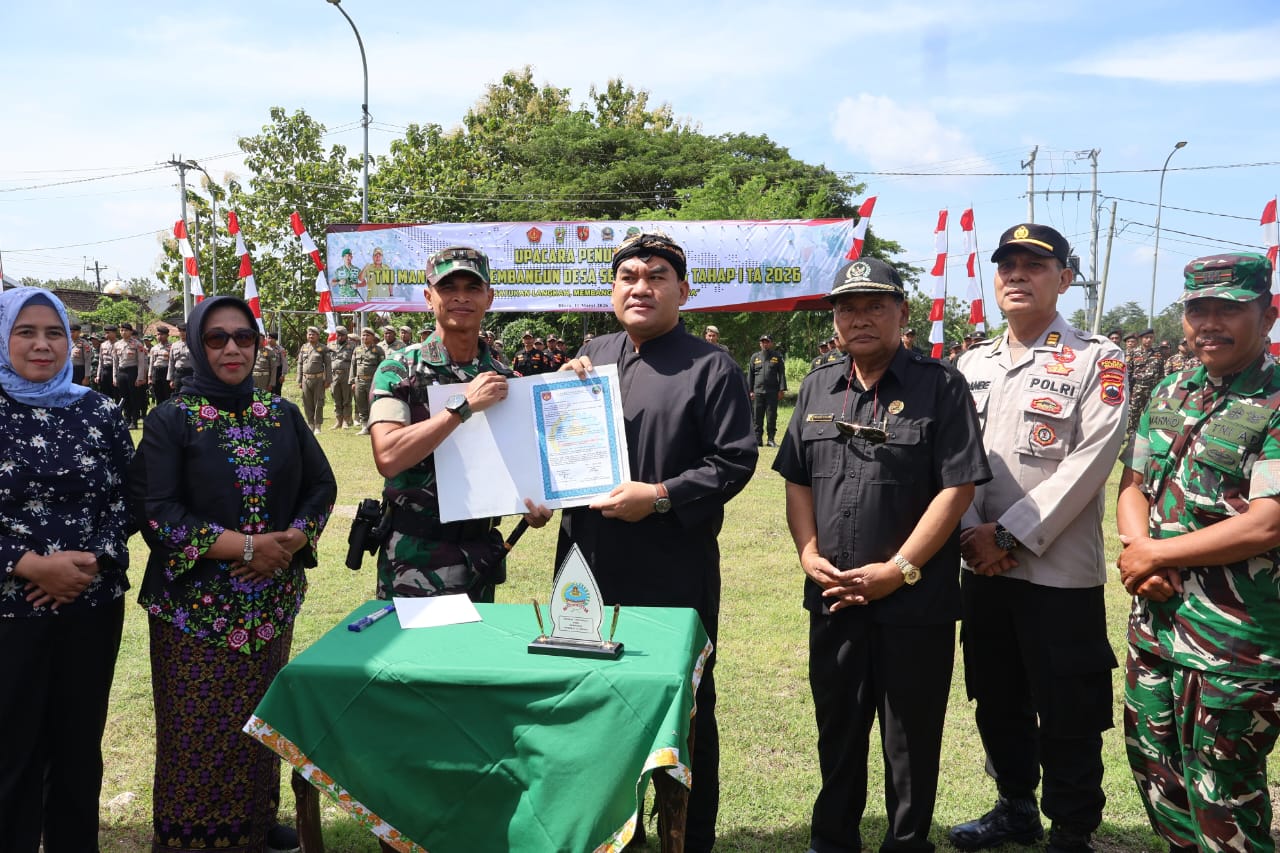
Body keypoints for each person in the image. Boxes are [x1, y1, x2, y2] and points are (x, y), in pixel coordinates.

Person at [774, 257, 990, 853]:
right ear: (835, 319)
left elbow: (959, 486)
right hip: (834, 592)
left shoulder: (940, 385)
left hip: (914, 601)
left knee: (911, 737)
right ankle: (834, 839)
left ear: (902, 312)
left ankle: (906, 842)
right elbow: (795, 477)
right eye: (848, 307)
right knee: (836, 728)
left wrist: (899, 571)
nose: (860, 318)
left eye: (875, 305)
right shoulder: (819, 384)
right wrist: (807, 550)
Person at [558, 232, 757, 853]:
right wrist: (557, 398)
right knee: (591, 696)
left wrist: (661, 494)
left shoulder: (711, 366)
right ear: (612, 290)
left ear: (683, 291)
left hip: (672, 566)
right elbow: (558, 449)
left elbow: (734, 461)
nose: (640, 286)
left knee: (683, 705)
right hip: (586, 562)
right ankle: (613, 834)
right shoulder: (590, 355)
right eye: (628, 276)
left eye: (657, 276)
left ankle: (687, 837)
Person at [130, 294, 336, 853]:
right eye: (216, 338)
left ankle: (255, 824)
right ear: (197, 345)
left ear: (258, 344)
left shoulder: (281, 413)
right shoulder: (171, 418)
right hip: (194, 611)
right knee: (196, 733)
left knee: (258, 724)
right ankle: (191, 838)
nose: (231, 348)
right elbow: (156, 508)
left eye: (243, 337)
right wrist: (244, 547)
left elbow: (322, 485)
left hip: (269, 603)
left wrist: (293, 540)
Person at [948, 223, 1127, 853]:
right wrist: (972, 536)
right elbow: (954, 461)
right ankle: (1015, 806)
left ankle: (1073, 830)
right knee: (995, 693)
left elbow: (1090, 462)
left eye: (1035, 265)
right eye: (1008, 266)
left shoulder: (1096, 359)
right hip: (982, 565)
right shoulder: (971, 364)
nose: (1018, 275)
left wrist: (1009, 537)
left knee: (1069, 703)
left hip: (1057, 571)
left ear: (1064, 279)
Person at [1117, 253, 1280, 852]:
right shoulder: (1170, 388)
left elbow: (1267, 523)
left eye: (1229, 308)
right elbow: (1133, 486)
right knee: (1159, 781)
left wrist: (1161, 557)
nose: (1209, 322)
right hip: (1156, 629)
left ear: (1267, 315)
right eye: (1197, 309)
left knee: (1224, 798)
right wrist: (1141, 550)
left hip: (1234, 647)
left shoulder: (1277, 397)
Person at [0, 288, 133, 853]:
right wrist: (29, 565)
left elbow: (132, 497)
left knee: (79, 748)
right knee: (11, 752)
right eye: (25, 331)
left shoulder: (99, 409)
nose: (41, 344)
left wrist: (87, 563)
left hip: (90, 604)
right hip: (10, 609)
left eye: (54, 332)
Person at [369, 246, 549, 602]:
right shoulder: (399, 370)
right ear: (428, 296)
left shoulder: (506, 379)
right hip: (414, 558)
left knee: (471, 657)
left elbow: (520, 466)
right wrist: (462, 406)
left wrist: (535, 503)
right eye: (448, 288)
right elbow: (388, 456)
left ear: (489, 297)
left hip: (479, 556)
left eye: (472, 287)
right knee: (414, 658)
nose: (461, 298)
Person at [749, 333, 787, 446]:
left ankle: (771, 440)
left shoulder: (777, 357)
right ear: (760, 343)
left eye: (767, 342)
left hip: (772, 392)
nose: (765, 344)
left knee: (771, 416)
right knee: (757, 417)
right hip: (757, 393)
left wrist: (781, 390)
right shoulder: (754, 357)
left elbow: (781, 374)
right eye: (763, 342)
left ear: (771, 343)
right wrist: (750, 390)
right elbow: (750, 375)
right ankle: (757, 440)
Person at [1127, 327, 1165, 436]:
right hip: (1137, 389)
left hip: (1152, 389)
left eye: (1151, 338)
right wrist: (1128, 391)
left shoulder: (1158, 354)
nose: (1148, 340)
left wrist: (1161, 390)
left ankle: (1147, 435)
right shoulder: (1133, 353)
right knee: (1134, 413)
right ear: (1141, 339)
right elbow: (1128, 373)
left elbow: (1161, 373)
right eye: (1146, 338)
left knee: (1151, 412)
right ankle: (1131, 435)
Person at [296, 325, 331, 434]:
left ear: (318, 336)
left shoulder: (323, 348)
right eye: (309, 334)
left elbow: (328, 365)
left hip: (319, 379)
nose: (311, 336)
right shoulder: (304, 347)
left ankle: (317, 425)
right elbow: (300, 364)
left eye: (313, 334)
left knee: (318, 402)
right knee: (307, 402)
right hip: (306, 379)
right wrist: (299, 379)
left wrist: (328, 380)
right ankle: (310, 423)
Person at [351, 327, 385, 434]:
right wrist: (352, 381)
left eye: (367, 335)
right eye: (363, 335)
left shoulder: (378, 350)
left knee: (373, 403)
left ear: (373, 337)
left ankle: (374, 426)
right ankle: (364, 426)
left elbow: (382, 367)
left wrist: (380, 381)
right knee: (361, 404)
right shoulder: (357, 349)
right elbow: (353, 366)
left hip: (372, 381)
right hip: (359, 381)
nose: (365, 337)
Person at [328, 325, 357, 429]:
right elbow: (327, 361)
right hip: (334, 374)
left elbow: (355, 362)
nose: (339, 337)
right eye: (338, 335)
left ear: (346, 336)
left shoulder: (352, 345)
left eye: (342, 335)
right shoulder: (331, 345)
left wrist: (353, 377)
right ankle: (338, 420)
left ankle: (346, 420)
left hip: (346, 374)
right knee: (336, 398)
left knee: (346, 399)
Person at [148, 325, 173, 406]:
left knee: (167, 394)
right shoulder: (154, 348)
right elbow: (151, 363)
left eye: (162, 334)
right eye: (158, 334)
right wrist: (149, 377)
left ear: (167, 335)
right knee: (158, 395)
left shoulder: (172, 347)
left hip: (166, 372)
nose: (159, 336)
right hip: (156, 372)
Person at [168, 322, 193, 394]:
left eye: (184, 330)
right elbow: (171, 362)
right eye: (180, 331)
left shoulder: (193, 344)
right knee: (178, 395)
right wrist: (171, 379)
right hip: (178, 374)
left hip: (190, 373)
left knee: (190, 394)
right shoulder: (174, 345)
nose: (182, 333)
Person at [96, 324, 118, 403]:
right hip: (105, 370)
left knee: (116, 392)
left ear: (114, 333)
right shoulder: (103, 344)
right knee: (105, 392)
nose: (106, 335)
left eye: (108, 332)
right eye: (105, 332)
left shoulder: (119, 344)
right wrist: (98, 375)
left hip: (115, 370)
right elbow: (100, 361)